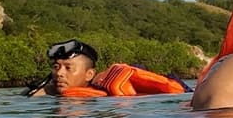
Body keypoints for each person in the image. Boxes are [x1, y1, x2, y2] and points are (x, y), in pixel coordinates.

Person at [31, 39, 191, 98]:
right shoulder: (51, 90)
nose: (59, 73)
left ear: (89, 74)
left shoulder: (102, 97)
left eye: (68, 68)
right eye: (56, 67)